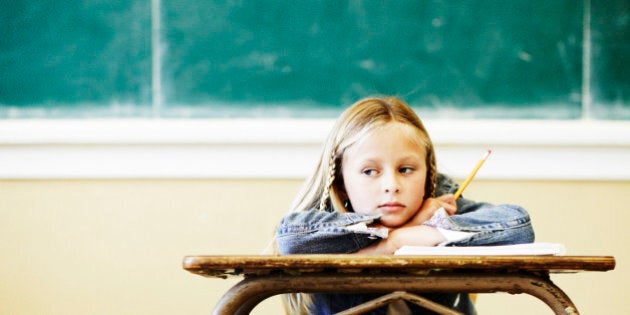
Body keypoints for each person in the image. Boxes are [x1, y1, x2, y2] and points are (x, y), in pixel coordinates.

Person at [275, 96, 535, 314]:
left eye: (406, 169)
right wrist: (396, 240)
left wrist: (432, 230)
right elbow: (290, 238)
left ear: (427, 173)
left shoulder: (440, 204)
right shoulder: (325, 223)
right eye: (369, 171)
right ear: (342, 182)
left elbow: (518, 227)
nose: (392, 185)